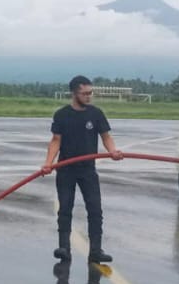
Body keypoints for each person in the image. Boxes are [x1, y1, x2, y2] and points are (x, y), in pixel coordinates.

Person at [42, 76, 123, 263]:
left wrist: (113, 152)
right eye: (85, 93)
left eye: (90, 93)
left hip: (88, 170)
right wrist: (48, 163)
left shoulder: (95, 114)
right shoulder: (62, 115)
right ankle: (64, 248)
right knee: (65, 208)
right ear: (74, 93)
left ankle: (96, 250)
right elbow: (56, 141)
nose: (89, 97)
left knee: (95, 210)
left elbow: (106, 137)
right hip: (66, 170)